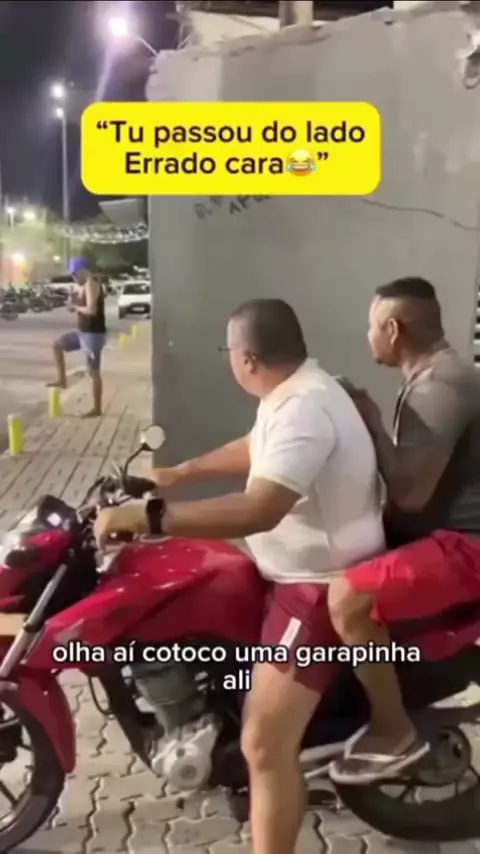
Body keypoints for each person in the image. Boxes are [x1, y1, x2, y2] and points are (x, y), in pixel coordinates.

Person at [94, 298, 385, 854]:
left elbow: (259, 509)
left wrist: (149, 517)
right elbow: (259, 448)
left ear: (246, 357)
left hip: (313, 587)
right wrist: (179, 473)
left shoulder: (304, 407)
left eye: (228, 350)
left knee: (264, 745)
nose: (228, 358)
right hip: (290, 569)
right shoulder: (293, 393)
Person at [327, 276, 480, 785]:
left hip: (468, 546)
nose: (368, 336)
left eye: (371, 326)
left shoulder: (439, 386)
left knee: (348, 598)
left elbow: (411, 495)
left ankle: (392, 729)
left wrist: (370, 420)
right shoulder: (435, 377)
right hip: (447, 534)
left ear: (393, 330)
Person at [48, 258, 107, 418]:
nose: (73, 278)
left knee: (93, 372)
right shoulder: (81, 286)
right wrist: (73, 301)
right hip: (83, 332)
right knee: (57, 345)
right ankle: (62, 380)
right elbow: (78, 304)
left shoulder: (91, 284)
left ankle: (97, 408)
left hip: (93, 334)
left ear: (83, 271)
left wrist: (76, 308)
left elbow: (91, 310)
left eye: (75, 274)